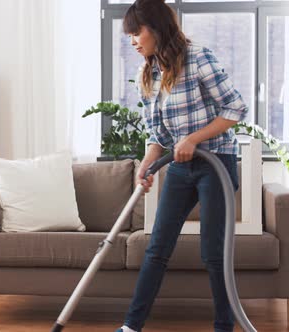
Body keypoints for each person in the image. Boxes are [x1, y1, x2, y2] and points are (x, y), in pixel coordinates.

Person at [116, 1, 249, 331]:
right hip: (179, 167)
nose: (133, 41)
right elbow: (157, 134)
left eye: (137, 33)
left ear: (156, 28)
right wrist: (146, 164)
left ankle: (224, 327)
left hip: (216, 162)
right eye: (130, 35)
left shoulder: (197, 56)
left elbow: (235, 108)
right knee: (157, 249)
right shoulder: (146, 74)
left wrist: (193, 139)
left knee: (213, 254)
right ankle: (131, 327)